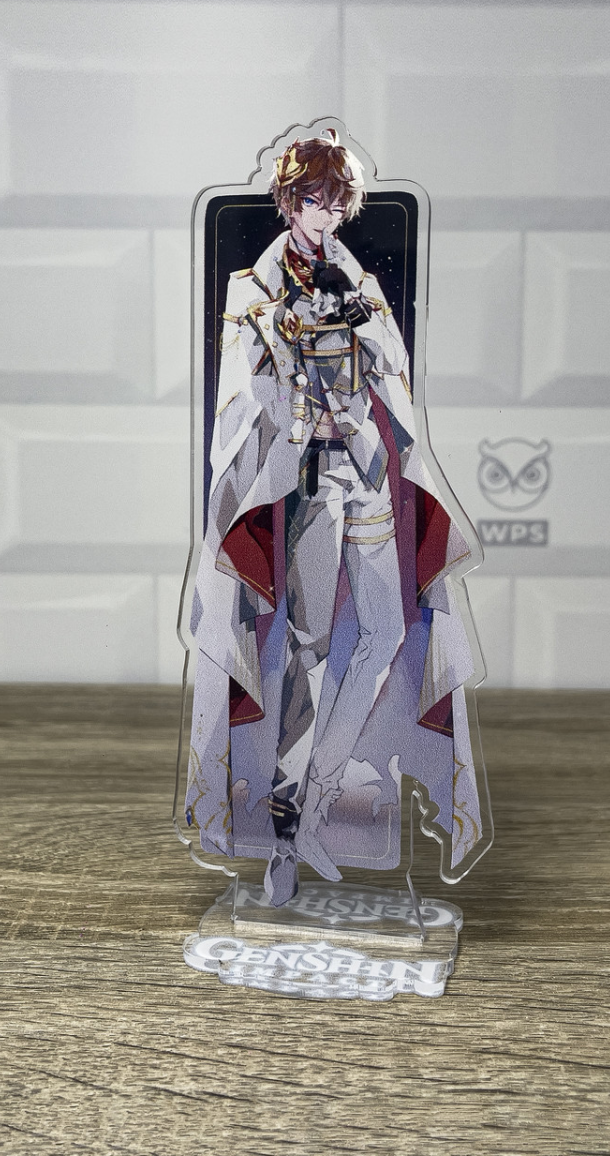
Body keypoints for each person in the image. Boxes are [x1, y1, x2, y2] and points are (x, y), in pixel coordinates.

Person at [186, 130, 482, 905]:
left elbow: (395, 376)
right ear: (288, 200)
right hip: (308, 482)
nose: (323, 215)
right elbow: (236, 405)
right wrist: (282, 357)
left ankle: (316, 802)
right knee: (306, 650)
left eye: (335, 202)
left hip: (368, 472)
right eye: (311, 200)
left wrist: (357, 331)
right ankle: (284, 836)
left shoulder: (359, 280)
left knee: (384, 633)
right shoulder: (252, 288)